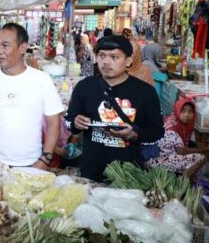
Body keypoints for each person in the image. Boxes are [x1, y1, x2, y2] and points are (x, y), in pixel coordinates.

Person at [65, 35, 164, 182]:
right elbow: (69, 121)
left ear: (128, 61)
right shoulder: (85, 87)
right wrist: (75, 123)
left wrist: (134, 133)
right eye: (102, 56)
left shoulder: (145, 92)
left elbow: (157, 132)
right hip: (91, 171)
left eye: (114, 57)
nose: (106, 62)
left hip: (128, 174)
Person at [0, 23, 64, 168]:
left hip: (31, 162)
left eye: (5, 45)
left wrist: (45, 159)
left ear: (22, 47)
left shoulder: (41, 80)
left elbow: (53, 121)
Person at [146, 98, 209, 177]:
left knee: (194, 150)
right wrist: (206, 149)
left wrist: (203, 145)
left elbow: (184, 144)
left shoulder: (174, 121)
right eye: (183, 111)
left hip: (162, 156)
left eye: (190, 111)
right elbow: (181, 151)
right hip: (158, 161)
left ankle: (185, 176)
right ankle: (184, 181)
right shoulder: (173, 128)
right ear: (177, 110)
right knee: (201, 158)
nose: (186, 114)